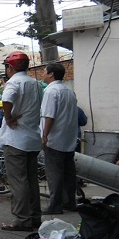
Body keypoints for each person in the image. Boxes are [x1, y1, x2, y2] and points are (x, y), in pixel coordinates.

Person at [0, 51, 43, 231]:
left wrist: (8, 117)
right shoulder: (36, 84)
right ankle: (34, 217)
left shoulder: (14, 82)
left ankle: (22, 219)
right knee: (32, 180)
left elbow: (6, 99)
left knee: (18, 181)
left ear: (10, 68)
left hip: (16, 139)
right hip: (32, 139)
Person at [40, 63, 79, 214]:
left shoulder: (51, 91)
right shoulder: (69, 92)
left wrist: (44, 135)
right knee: (68, 173)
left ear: (51, 74)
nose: (43, 74)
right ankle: (69, 202)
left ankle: (55, 205)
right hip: (68, 138)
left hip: (55, 139)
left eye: (44, 71)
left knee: (54, 174)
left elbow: (49, 115)